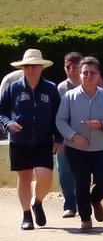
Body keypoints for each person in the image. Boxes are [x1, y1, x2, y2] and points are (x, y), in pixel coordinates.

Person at [54, 57, 103, 232]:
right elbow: (60, 120)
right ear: (80, 75)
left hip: (102, 148)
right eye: (85, 73)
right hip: (77, 148)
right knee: (81, 182)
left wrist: (102, 124)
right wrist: (73, 136)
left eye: (92, 73)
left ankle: (95, 199)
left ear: (98, 76)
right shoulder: (69, 97)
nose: (88, 76)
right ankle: (85, 218)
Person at [1, 49, 63, 231]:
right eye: (27, 66)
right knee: (24, 177)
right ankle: (26, 214)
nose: (30, 69)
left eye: (34, 66)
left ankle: (38, 202)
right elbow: (1, 112)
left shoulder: (51, 89)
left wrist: (58, 138)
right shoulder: (13, 88)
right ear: (22, 68)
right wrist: (8, 123)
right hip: (19, 140)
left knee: (45, 176)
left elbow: (58, 116)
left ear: (41, 67)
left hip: (44, 140)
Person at [54, 52, 83, 220]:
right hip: (65, 137)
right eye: (68, 67)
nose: (71, 70)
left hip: (85, 136)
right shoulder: (60, 89)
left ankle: (83, 203)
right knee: (64, 171)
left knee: (82, 171)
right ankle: (70, 205)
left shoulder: (89, 85)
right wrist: (58, 139)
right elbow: (57, 116)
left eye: (75, 66)